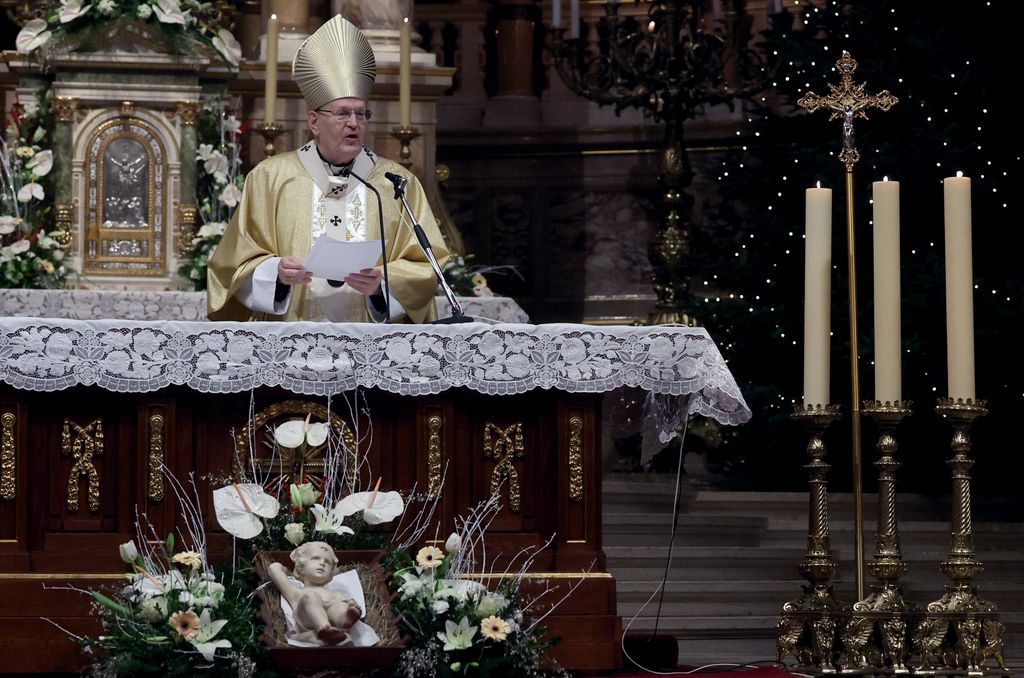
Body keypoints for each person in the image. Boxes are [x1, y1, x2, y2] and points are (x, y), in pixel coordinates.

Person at [207, 15, 449, 323]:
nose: (354, 123)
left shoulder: (396, 183)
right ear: (313, 122)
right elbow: (232, 264)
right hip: (290, 341)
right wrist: (276, 274)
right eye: (343, 113)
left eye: (362, 114)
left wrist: (381, 286)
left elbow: (425, 266)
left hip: (371, 348)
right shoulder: (270, 178)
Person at [267, 541, 363, 646]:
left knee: (339, 605)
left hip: (333, 620)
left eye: (327, 562)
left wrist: (349, 606)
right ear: (301, 565)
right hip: (306, 618)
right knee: (311, 597)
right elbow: (273, 569)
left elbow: (344, 603)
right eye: (316, 558)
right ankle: (324, 627)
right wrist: (284, 569)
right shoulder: (297, 592)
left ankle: (345, 620)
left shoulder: (334, 593)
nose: (322, 563)